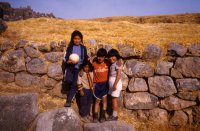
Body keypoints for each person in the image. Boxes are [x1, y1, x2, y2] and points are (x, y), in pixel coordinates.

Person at [64, 30, 88, 107]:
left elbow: (85, 59)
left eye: (78, 39)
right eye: (75, 39)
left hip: (78, 68)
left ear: (81, 39)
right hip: (70, 68)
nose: (77, 40)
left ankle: (69, 100)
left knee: (74, 84)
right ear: (72, 39)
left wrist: (82, 69)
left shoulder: (83, 48)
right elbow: (65, 57)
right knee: (68, 80)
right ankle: (71, 92)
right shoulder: (70, 47)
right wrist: (67, 61)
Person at [92, 48, 110, 123]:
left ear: (105, 57)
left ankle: (102, 115)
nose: (100, 58)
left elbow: (115, 60)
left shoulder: (107, 63)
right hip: (97, 85)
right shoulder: (93, 64)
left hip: (105, 84)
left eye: (102, 56)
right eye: (99, 56)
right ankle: (95, 116)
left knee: (104, 101)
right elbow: (85, 65)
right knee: (97, 101)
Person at [107, 49, 123, 121]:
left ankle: (115, 116)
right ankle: (113, 114)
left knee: (114, 100)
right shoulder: (113, 63)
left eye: (113, 56)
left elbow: (119, 75)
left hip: (115, 83)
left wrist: (115, 85)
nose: (111, 58)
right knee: (113, 99)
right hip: (112, 83)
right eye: (110, 57)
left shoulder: (118, 63)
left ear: (116, 56)